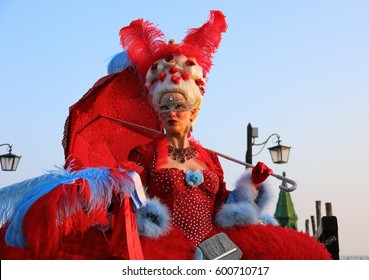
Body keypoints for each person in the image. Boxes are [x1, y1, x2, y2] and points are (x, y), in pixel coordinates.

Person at [0, 10, 331, 260]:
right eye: (166, 105)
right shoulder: (146, 153)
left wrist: (251, 187)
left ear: (194, 111)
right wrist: (122, 183)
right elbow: (131, 202)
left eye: (180, 105)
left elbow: (221, 204)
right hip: (167, 248)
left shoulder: (209, 157)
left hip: (219, 246)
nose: (172, 112)